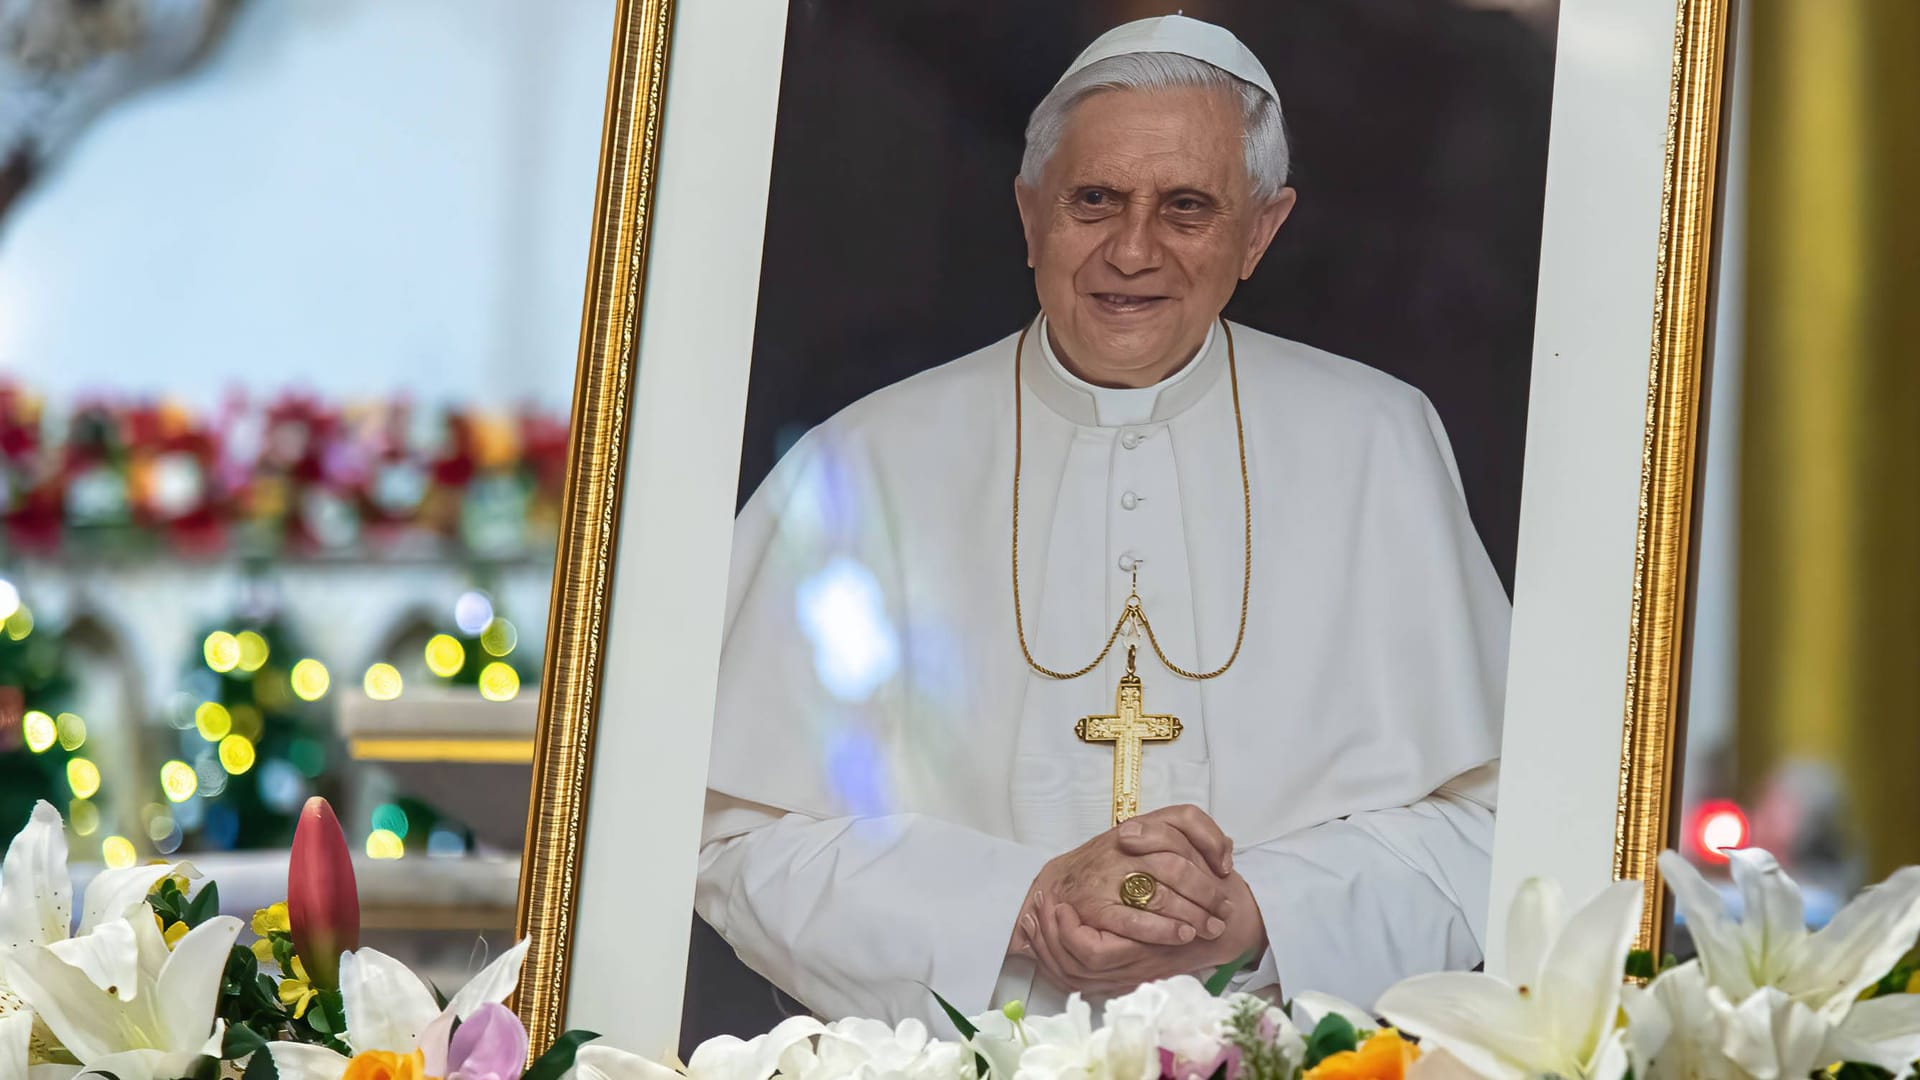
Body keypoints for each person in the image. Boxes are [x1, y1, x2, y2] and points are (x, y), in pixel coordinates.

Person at [694, 14, 1508, 1027]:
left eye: (1186, 207)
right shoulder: (868, 462)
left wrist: (1261, 909)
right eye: (1094, 200)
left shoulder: (1378, 442)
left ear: (1260, 230)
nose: (1134, 250)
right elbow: (737, 836)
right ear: (1030, 212)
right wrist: (1019, 906)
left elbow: (1494, 826)